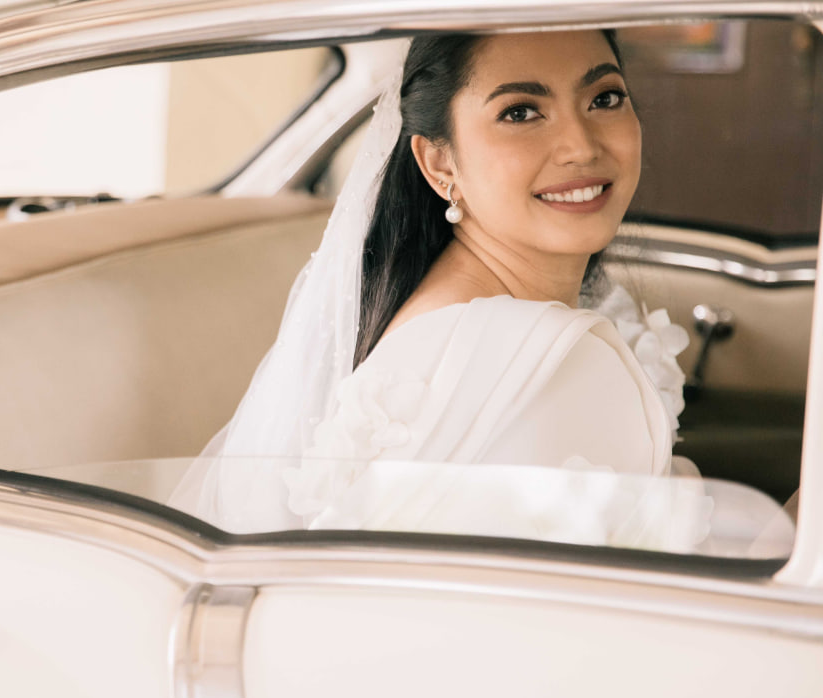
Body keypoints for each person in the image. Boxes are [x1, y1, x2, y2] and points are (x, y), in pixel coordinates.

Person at [170, 30, 708, 541]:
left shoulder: (451, 310)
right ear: (439, 162)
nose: (580, 146)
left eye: (605, 98)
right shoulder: (519, 352)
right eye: (520, 112)